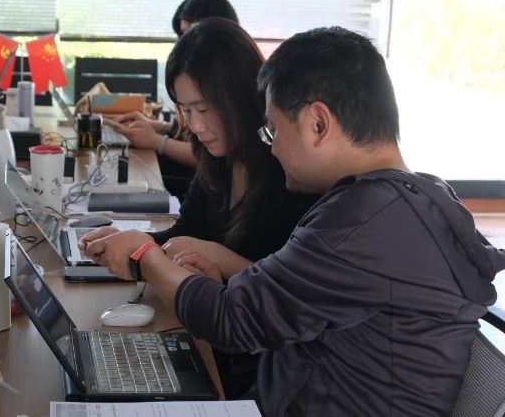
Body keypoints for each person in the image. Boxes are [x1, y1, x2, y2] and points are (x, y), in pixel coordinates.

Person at [84, 27, 505, 416]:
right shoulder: (407, 199)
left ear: (318, 124)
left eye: (273, 130)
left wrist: (147, 255)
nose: (272, 148)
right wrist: (232, 275)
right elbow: (302, 300)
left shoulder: (363, 219)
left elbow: (230, 321)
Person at [83, 18, 320, 397]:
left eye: (204, 109)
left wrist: (217, 257)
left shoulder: (291, 174)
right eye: (185, 110)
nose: (194, 125)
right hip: (211, 336)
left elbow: (292, 299)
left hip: (260, 369)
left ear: (242, 97)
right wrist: (129, 242)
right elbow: (185, 234)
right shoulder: (218, 160)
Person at [104, 0, 239, 172]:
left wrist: (156, 141)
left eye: (189, 33)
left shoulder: (233, 83)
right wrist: (160, 127)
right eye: (186, 110)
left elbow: (214, 157)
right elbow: (199, 135)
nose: (184, 43)